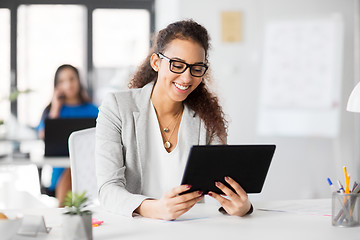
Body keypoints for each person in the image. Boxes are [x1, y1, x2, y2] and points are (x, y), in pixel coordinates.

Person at [96, 20, 252, 220]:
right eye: (177, 65)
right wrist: (153, 209)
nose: (186, 78)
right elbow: (108, 190)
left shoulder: (208, 118)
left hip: (190, 227)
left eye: (196, 68)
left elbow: (221, 187)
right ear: (156, 62)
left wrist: (242, 206)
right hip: (134, 226)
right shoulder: (117, 107)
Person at [38, 64, 98, 206]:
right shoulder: (52, 111)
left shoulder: (93, 109)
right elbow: (43, 136)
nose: (69, 84)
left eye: (72, 79)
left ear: (78, 81)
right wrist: (55, 108)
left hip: (90, 170)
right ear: (57, 86)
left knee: (76, 166)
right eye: (63, 81)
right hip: (61, 174)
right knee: (71, 168)